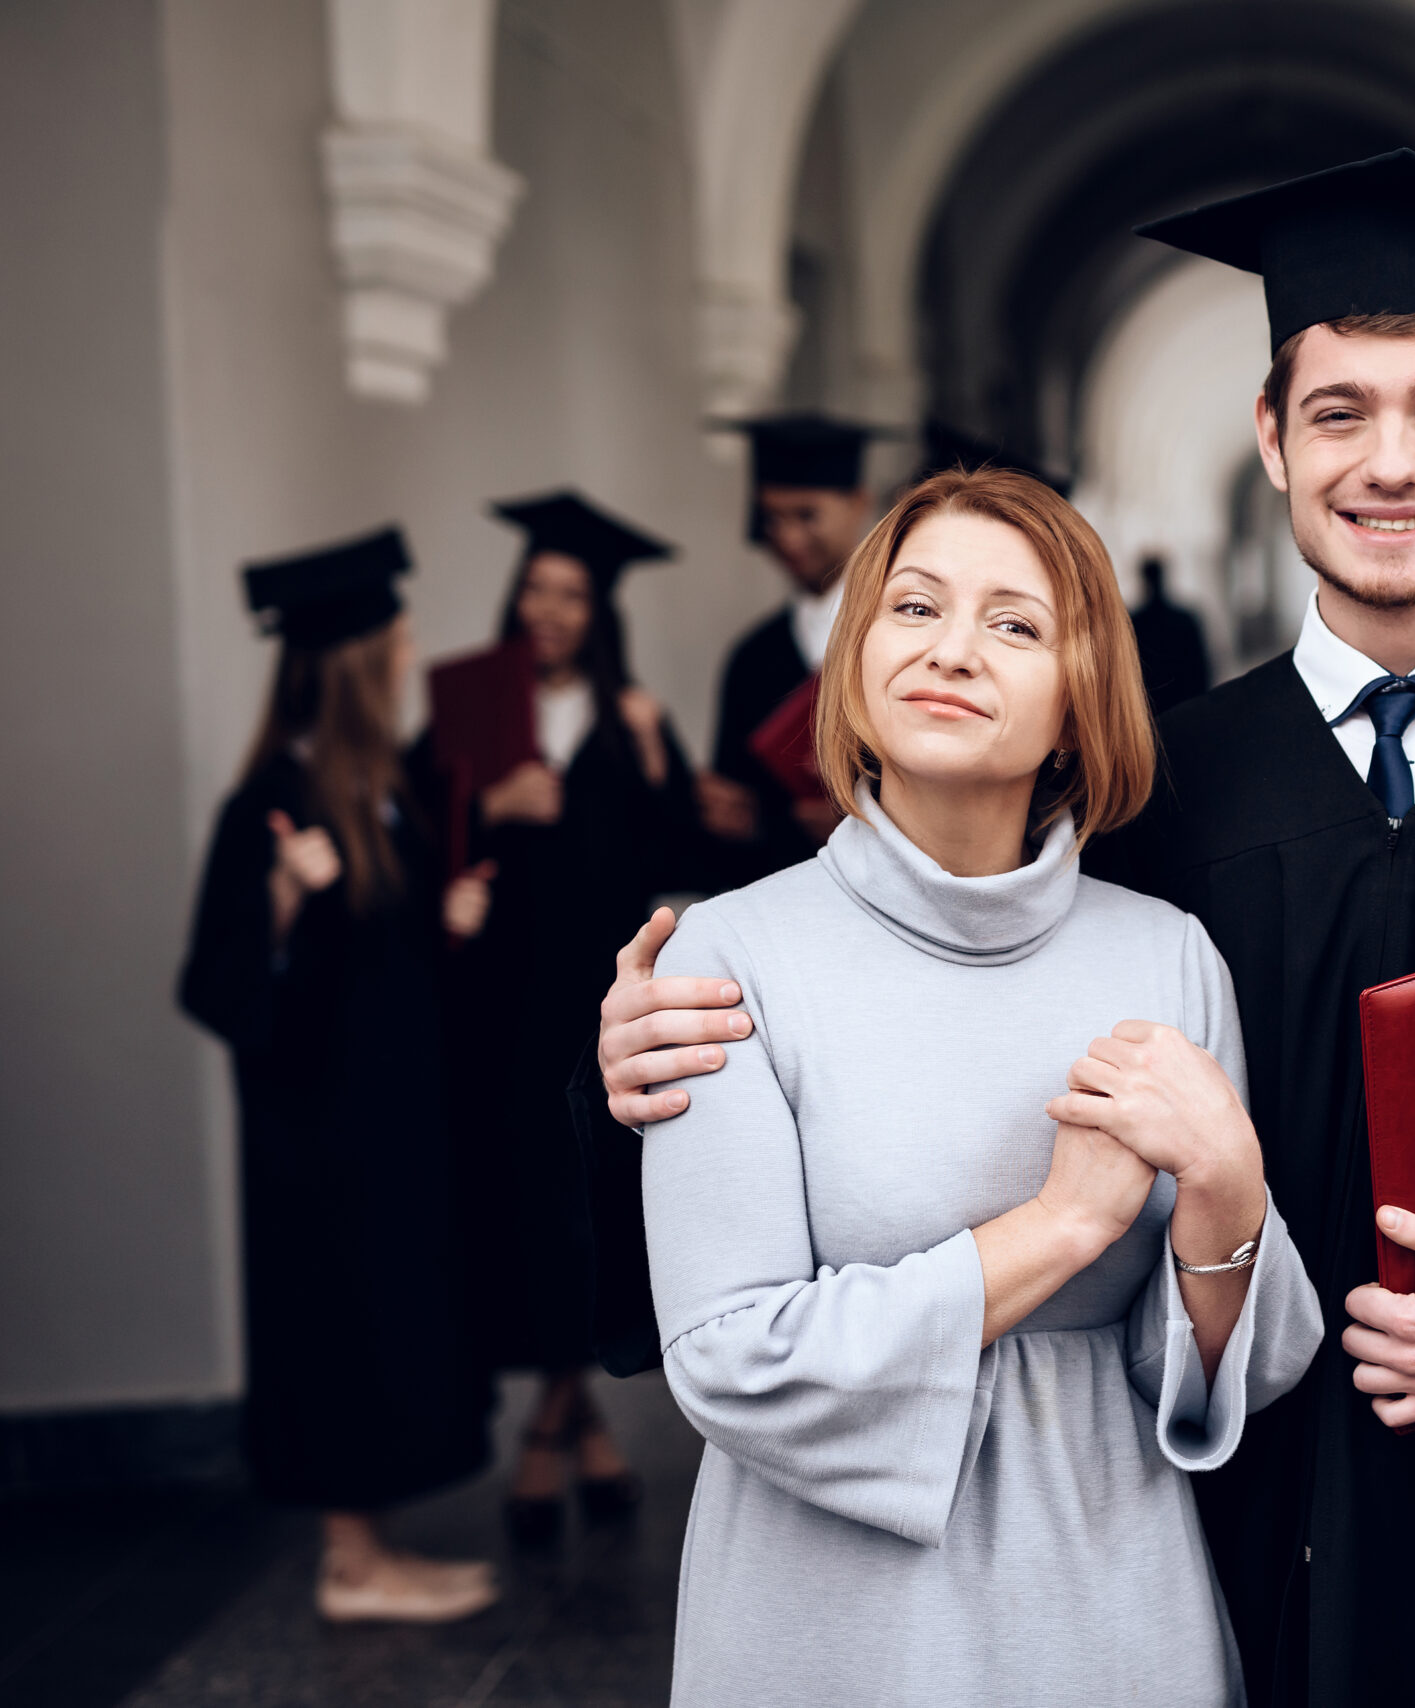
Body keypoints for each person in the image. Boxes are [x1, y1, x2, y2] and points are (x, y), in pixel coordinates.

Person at [584, 149, 1415, 1706]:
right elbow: (930, 989)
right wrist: (629, 1059)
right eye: (1339, 412)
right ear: (1273, 440)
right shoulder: (1162, 791)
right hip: (1228, 1523)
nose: (1391, 462)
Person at [641, 465, 1321, 1704]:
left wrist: (1228, 1192)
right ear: (855, 660)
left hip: (1112, 1604)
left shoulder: (1163, 953)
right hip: (828, 1616)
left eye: (1014, 624)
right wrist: (1058, 1227)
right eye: (913, 609)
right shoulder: (730, 955)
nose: (952, 649)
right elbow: (727, 1356)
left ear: (1076, 704)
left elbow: (1236, 1372)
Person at [179, 527, 497, 1623]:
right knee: (337, 1328)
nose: (411, 658)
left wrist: (447, 923)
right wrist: (281, 903)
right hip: (316, 1140)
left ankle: (377, 1550)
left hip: (393, 1125)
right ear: (358, 661)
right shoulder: (267, 804)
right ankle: (351, 1563)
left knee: (390, 1323)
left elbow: (385, 960)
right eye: (399, 643)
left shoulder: (380, 790)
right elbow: (216, 990)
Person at [426, 490, 694, 1545]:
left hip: (594, 1008)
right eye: (535, 588)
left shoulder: (631, 716)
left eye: (570, 593)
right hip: (498, 1009)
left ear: (598, 611)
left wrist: (659, 762)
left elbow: (675, 855)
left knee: (582, 1220)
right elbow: (424, 832)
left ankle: (555, 1432)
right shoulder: (472, 714)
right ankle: (574, 1431)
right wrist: (492, 809)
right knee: (525, 1223)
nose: (547, 608)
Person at [699, 414, 879, 882]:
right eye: (772, 517)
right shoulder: (753, 656)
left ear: (858, 503)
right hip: (780, 895)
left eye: (805, 514)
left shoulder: (895, 631)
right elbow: (736, 801)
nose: (787, 536)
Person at [1130, 553, 1212, 713]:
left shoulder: (1136, 622)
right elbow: (1200, 668)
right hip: (1182, 703)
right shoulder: (1184, 619)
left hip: (1151, 707)